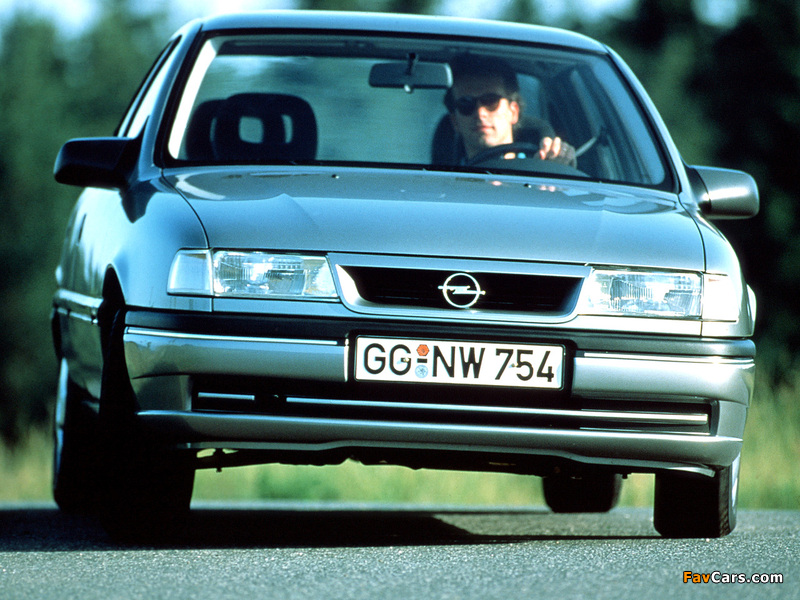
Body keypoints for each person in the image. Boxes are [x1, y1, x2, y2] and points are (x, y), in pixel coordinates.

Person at [443, 55, 576, 167]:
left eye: (491, 100)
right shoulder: (442, 181)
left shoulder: (541, 172)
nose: (480, 113)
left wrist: (560, 166)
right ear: (454, 121)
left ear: (513, 112)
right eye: (466, 104)